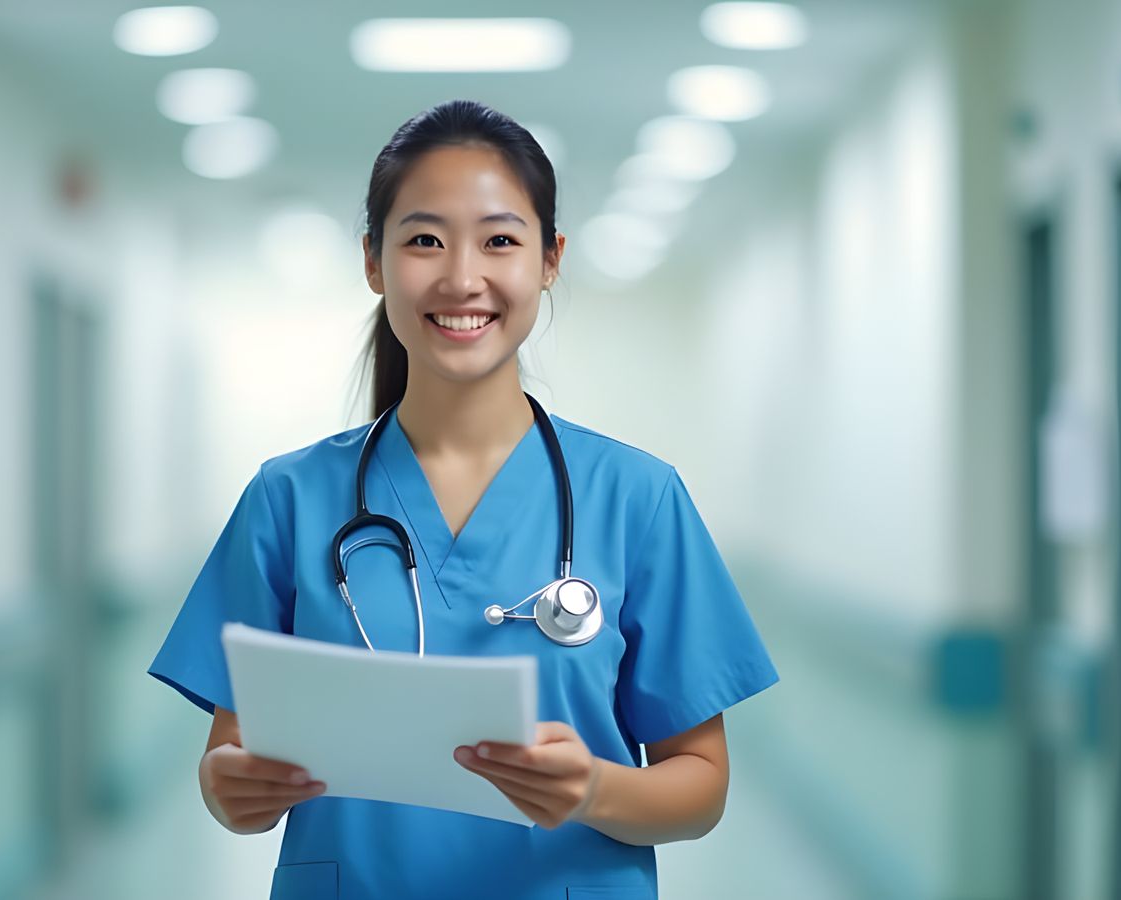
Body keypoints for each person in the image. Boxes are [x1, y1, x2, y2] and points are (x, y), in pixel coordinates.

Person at [149, 99, 778, 900]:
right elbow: (230, 763)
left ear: (550, 259)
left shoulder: (637, 498)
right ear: (374, 261)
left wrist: (593, 790)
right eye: (423, 240)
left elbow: (701, 785)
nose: (461, 277)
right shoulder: (288, 499)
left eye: (500, 240)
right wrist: (233, 792)